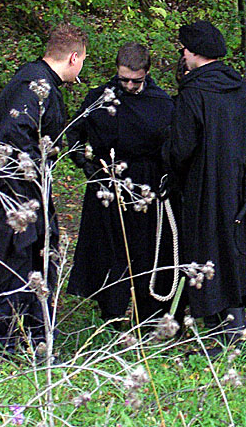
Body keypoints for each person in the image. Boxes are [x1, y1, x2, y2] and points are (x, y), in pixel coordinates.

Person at [164, 20, 246, 352]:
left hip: (206, 193)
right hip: (240, 191)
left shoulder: (193, 93)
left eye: (185, 49)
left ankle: (225, 338)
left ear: (195, 52)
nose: (183, 54)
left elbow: (181, 149)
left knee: (212, 258)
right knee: (245, 257)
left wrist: (168, 165)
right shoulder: (240, 89)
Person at [0, 23, 88, 355]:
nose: (81, 68)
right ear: (73, 58)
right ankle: (3, 346)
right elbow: (13, 137)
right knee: (14, 264)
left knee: (39, 262)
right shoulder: (33, 86)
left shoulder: (40, 83)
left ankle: (37, 338)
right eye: (82, 61)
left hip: (27, 192)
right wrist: (25, 193)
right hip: (12, 194)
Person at [66, 42, 178, 327]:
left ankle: (148, 312)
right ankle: (111, 310)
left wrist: (167, 175)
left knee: (146, 248)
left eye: (135, 81)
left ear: (146, 73)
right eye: (123, 79)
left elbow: (173, 146)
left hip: (146, 183)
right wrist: (86, 163)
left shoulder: (162, 103)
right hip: (107, 180)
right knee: (109, 246)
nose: (128, 85)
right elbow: (74, 132)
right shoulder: (100, 98)